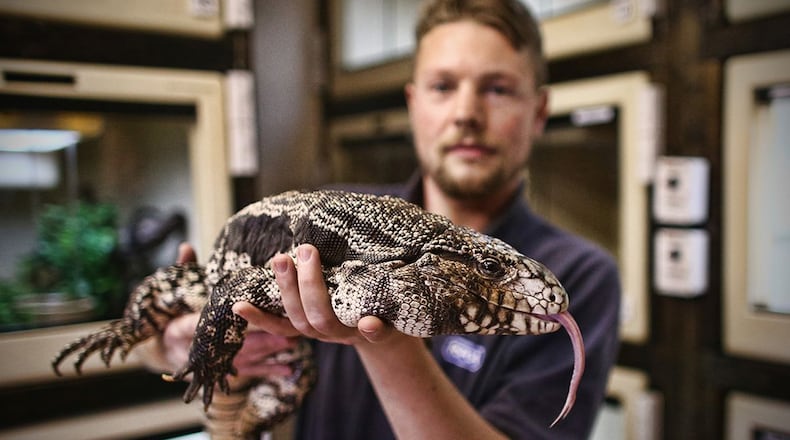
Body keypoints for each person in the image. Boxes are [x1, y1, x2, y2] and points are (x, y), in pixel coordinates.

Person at [144, 0, 621, 438]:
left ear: (539, 112)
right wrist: (179, 340)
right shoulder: (330, 219)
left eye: (498, 89)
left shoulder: (582, 276)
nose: (466, 113)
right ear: (414, 104)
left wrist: (387, 341)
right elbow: (161, 342)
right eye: (443, 86)